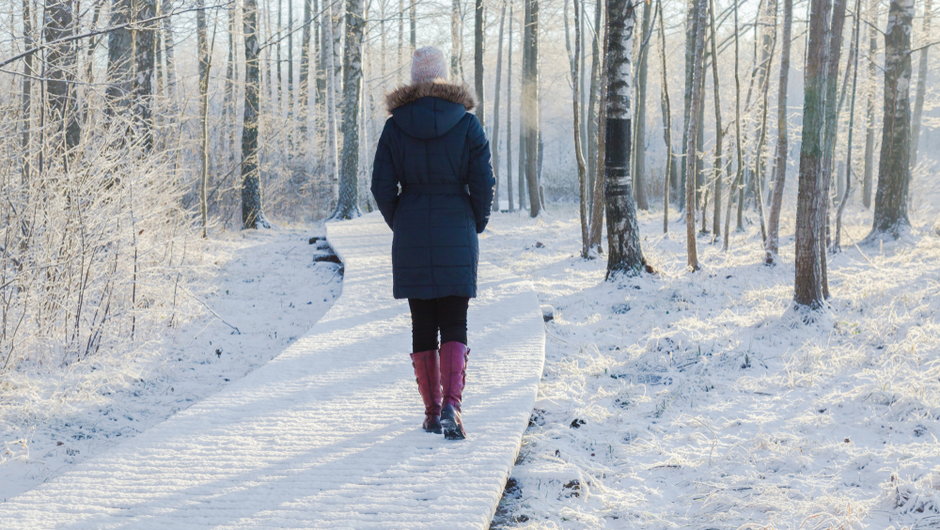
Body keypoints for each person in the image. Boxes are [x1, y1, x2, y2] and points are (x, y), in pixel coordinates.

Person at [370, 46, 495, 440]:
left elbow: (381, 185)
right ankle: (453, 406)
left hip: (411, 231)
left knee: (422, 323)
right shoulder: (468, 124)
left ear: (414, 80)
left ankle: (430, 411)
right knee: (455, 320)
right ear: (444, 78)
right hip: (457, 225)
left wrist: (400, 220)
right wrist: (475, 220)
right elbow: (483, 182)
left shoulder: (395, 127)